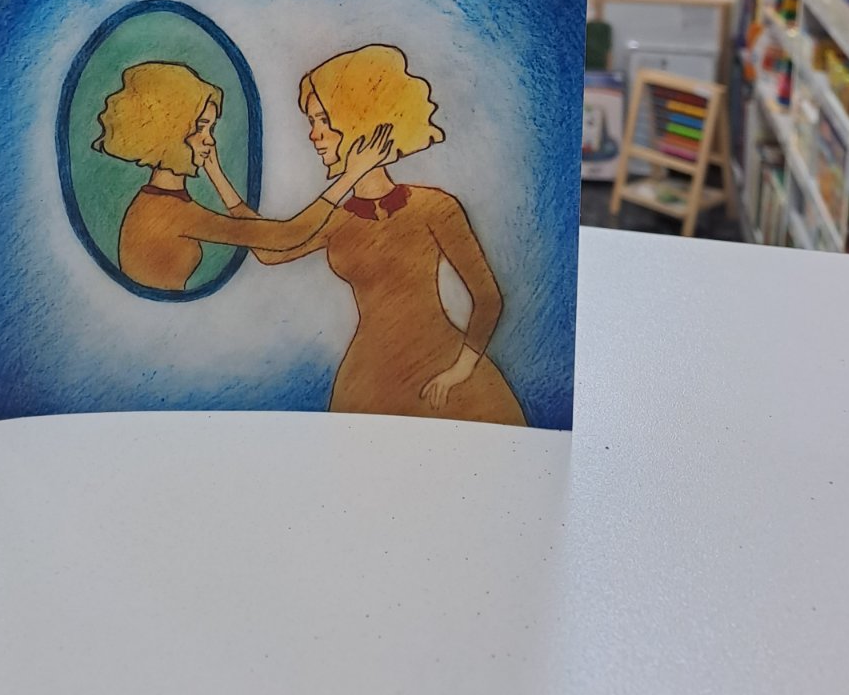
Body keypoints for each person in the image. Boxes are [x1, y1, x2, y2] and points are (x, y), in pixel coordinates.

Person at [247, 44, 526, 426]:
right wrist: (219, 176)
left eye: (323, 121)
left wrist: (461, 370)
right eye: (311, 122)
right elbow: (269, 252)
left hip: (443, 374)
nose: (313, 135)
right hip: (367, 381)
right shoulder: (336, 220)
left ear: (357, 119)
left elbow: (488, 298)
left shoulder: (435, 207)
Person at [95, 60, 392, 292]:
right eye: (200, 127)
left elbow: (267, 249)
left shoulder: (164, 201)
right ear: (169, 131)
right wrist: (351, 175)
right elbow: (285, 237)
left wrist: (216, 174)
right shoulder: (165, 211)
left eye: (210, 128)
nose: (209, 139)